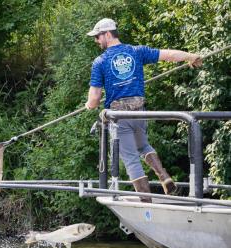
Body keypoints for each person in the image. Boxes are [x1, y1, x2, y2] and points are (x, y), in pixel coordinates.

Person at [85, 18, 202, 202]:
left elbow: (94, 99)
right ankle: (164, 176)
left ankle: (146, 202)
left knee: (131, 159)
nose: (96, 40)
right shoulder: (136, 51)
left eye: (98, 36)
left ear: (108, 34)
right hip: (140, 112)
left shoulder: (100, 62)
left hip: (119, 116)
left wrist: (89, 105)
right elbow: (168, 55)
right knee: (143, 146)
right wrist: (190, 56)